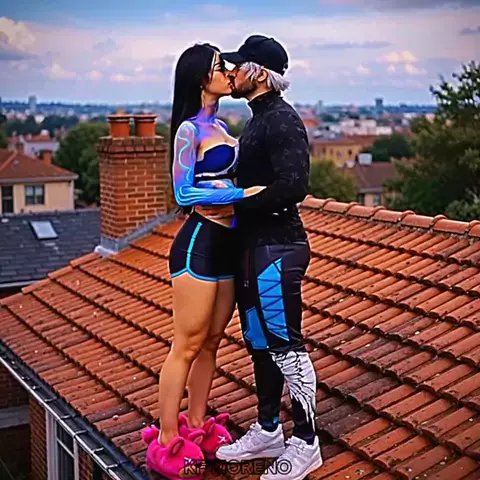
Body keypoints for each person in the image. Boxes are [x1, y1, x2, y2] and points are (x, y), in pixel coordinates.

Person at [141, 42, 265, 480]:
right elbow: (183, 192)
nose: (228, 72)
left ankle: (196, 423)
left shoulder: (223, 126)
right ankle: (167, 437)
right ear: (200, 78)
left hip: (229, 243)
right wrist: (239, 194)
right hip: (198, 244)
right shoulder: (188, 131)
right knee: (187, 344)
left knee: (212, 341)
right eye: (218, 66)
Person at [214, 35, 323, 480]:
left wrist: (237, 200)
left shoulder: (282, 121)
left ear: (258, 73)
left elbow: (294, 186)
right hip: (254, 248)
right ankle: (268, 429)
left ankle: (307, 442)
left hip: (279, 248)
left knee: (286, 345)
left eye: (238, 65)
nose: (232, 72)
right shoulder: (258, 121)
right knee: (260, 342)